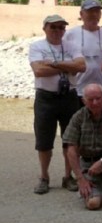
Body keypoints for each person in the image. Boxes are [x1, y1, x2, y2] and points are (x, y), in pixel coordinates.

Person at [29, 14, 86, 194]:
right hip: (45, 98)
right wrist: (68, 66)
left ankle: (68, 176)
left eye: (61, 27)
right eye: (53, 27)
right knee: (44, 140)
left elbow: (81, 67)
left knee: (70, 139)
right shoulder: (37, 46)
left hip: (69, 97)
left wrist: (53, 63)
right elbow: (39, 70)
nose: (57, 30)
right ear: (44, 28)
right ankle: (44, 176)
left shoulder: (72, 46)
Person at [63, 0, 102, 102]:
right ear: (81, 14)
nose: (94, 14)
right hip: (79, 90)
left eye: (97, 11)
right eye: (90, 11)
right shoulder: (70, 35)